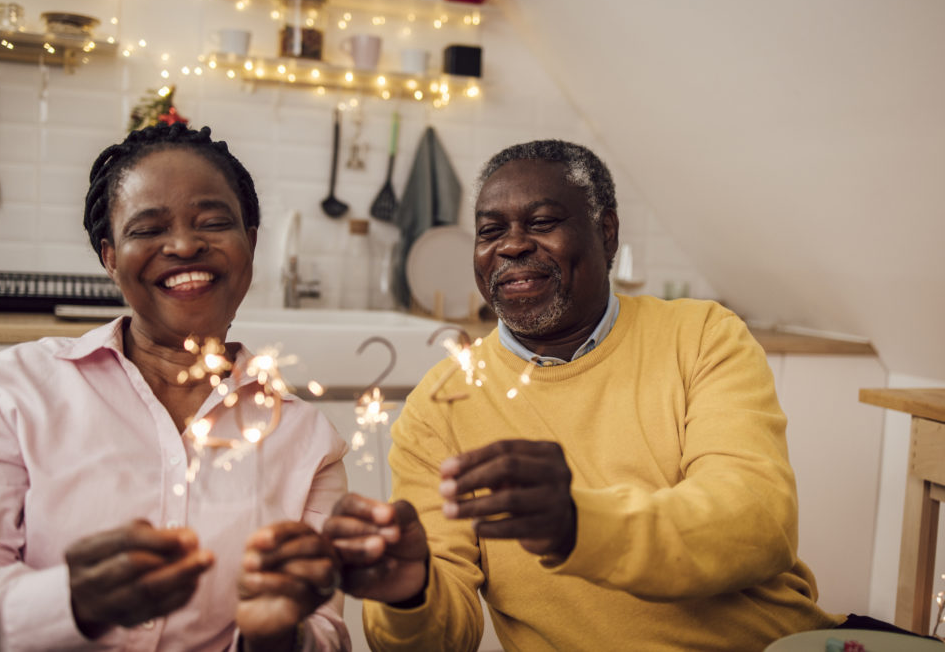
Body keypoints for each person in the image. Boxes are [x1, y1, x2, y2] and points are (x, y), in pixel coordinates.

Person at [323, 139, 843, 651]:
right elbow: (439, 637)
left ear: (606, 233)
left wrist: (578, 525)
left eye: (542, 223)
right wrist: (410, 594)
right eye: (489, 231)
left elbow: (756, 523)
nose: (511, 245)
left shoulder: (703, 334)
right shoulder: (439, 409)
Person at [0, 123, 350, 651]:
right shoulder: (5, 392)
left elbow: (326, 633)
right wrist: (74, 600)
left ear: (250, 243)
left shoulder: (307, 440)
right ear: (109, 257)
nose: (184, 245)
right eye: (146, 229)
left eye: (213, 222)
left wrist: (276, 635)